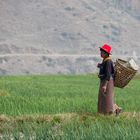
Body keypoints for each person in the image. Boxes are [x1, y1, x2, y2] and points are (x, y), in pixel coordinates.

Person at [97, 44, 122, 115]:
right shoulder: (105, 60)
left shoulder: (108, 61)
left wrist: (105, 85)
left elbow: (108, 74)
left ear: (105, 53)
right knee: (104, 98)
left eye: (101, 52)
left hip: (107, 82)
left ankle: (113, 110)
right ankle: (112, 110)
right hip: (105, 81)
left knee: (107, 99)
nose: (100, 53)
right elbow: (105, 69)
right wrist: (100, 66)